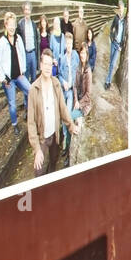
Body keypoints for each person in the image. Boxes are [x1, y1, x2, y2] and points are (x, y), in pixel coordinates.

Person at [27, 48, 81, 177]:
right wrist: (37, 149)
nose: (47, 67)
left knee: (53, 163)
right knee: (38, 172)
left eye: (50, 64)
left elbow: (63, 108)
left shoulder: (56, 83)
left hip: (55, 135)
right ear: (40, 65)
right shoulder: (34, 89)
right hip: (42, 139)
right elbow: (31, 122)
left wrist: (71, 126)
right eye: (45, 64)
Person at [0, 11, 31, 133]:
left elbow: (22, 54)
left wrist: (23, 70)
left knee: (31, 91)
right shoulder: (2, 42)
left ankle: (29, 113)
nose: (12, 27)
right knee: (12, 103)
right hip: (8, 79)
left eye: (13, 24)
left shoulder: (18, 39)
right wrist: (3, 78)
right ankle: (15, 124)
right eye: (9, 24)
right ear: (5, 25)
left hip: (19, 75)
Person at [104, 0, 126, 89]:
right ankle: (108, 79)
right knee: (111, 63)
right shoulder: (116, 18)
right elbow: (112, 28)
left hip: (118, 46)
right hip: (114, 43)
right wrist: (111, 38)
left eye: (122, 8)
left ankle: (107, 81)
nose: (121, 9)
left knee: (113, 63)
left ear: (123, 9)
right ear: (118, 9)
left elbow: (124, 34)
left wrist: (121, 45)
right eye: (119, 8)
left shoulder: (125, 21)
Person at [17, 1, 40, 84]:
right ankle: (26, 97)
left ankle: (32, 96)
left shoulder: (33, 24)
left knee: (34, 77)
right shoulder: (20, 24)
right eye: (26, 9)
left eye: (28, 9)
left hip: (33, 53)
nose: (27, 11)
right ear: (24, 11)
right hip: (25, 54)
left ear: (30, 11)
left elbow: (36, 40)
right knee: (25, 78)